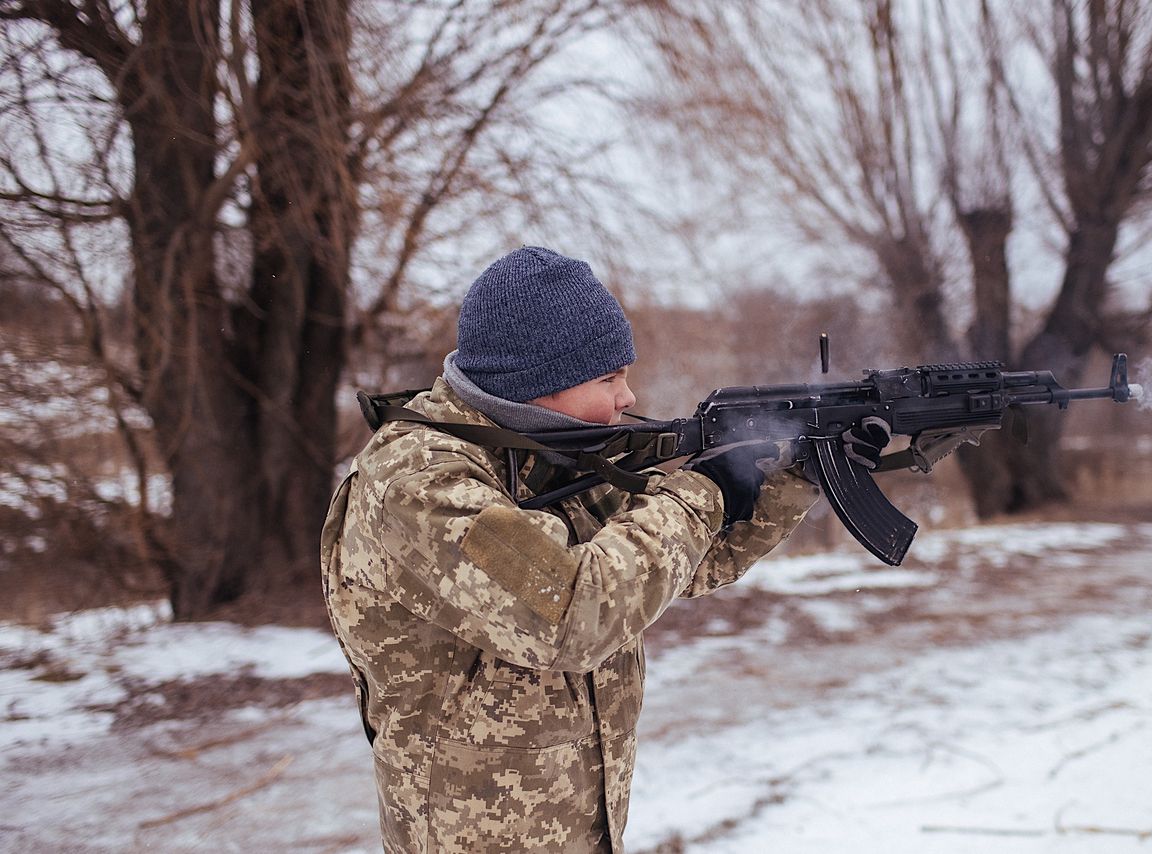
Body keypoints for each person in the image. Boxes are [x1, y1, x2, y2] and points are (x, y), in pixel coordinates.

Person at [320, 246, 885, 853]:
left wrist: (795, 472)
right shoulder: (419, 481)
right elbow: (570, 613)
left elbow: (684, 565)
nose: (628, 398)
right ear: (538, 383)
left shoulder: (545, 456)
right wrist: (699, 492)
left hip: (579, 831)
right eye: (608, 378)